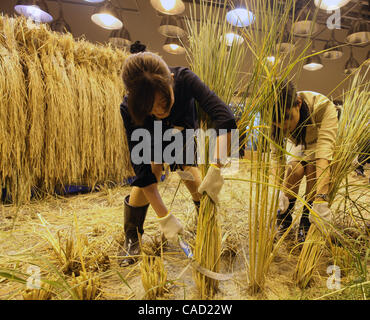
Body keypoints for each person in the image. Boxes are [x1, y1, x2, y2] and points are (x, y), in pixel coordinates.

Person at [119, 52, 236, 266]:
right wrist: (164, 217)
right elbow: (142, 173)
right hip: (149, 132)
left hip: (182, 128)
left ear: (171, 81)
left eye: (163, 100)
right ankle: (131, 236)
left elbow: (225, 117)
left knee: (188, 171)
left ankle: (207, 227)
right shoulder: (129, 108)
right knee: (152, 171)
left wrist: (216, 167)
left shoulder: (185, 79)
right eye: (150, 107)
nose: (160, 110)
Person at [272, 81, 338, 243]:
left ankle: (307, 219)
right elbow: (276, 158)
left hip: (318, 140)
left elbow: (323, 155)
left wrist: (321, 199)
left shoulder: (323, 107)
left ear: (298, 103)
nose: (284, 126)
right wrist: (276, 191)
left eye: (287, 118)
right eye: (278, 123)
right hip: (296, 143)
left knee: (312, 170)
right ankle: (284, 216)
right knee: (294, 169)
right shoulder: (275, 116)